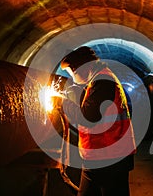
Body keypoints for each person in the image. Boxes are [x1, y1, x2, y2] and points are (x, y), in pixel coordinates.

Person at [59, 46, 136, 196]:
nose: (72, 76)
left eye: (71, 72)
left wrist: (62, 103)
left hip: (110, 157)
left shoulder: (103, 81)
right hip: (100, 156)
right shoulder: (99, 80)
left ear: (79, 68)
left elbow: (89, 117)